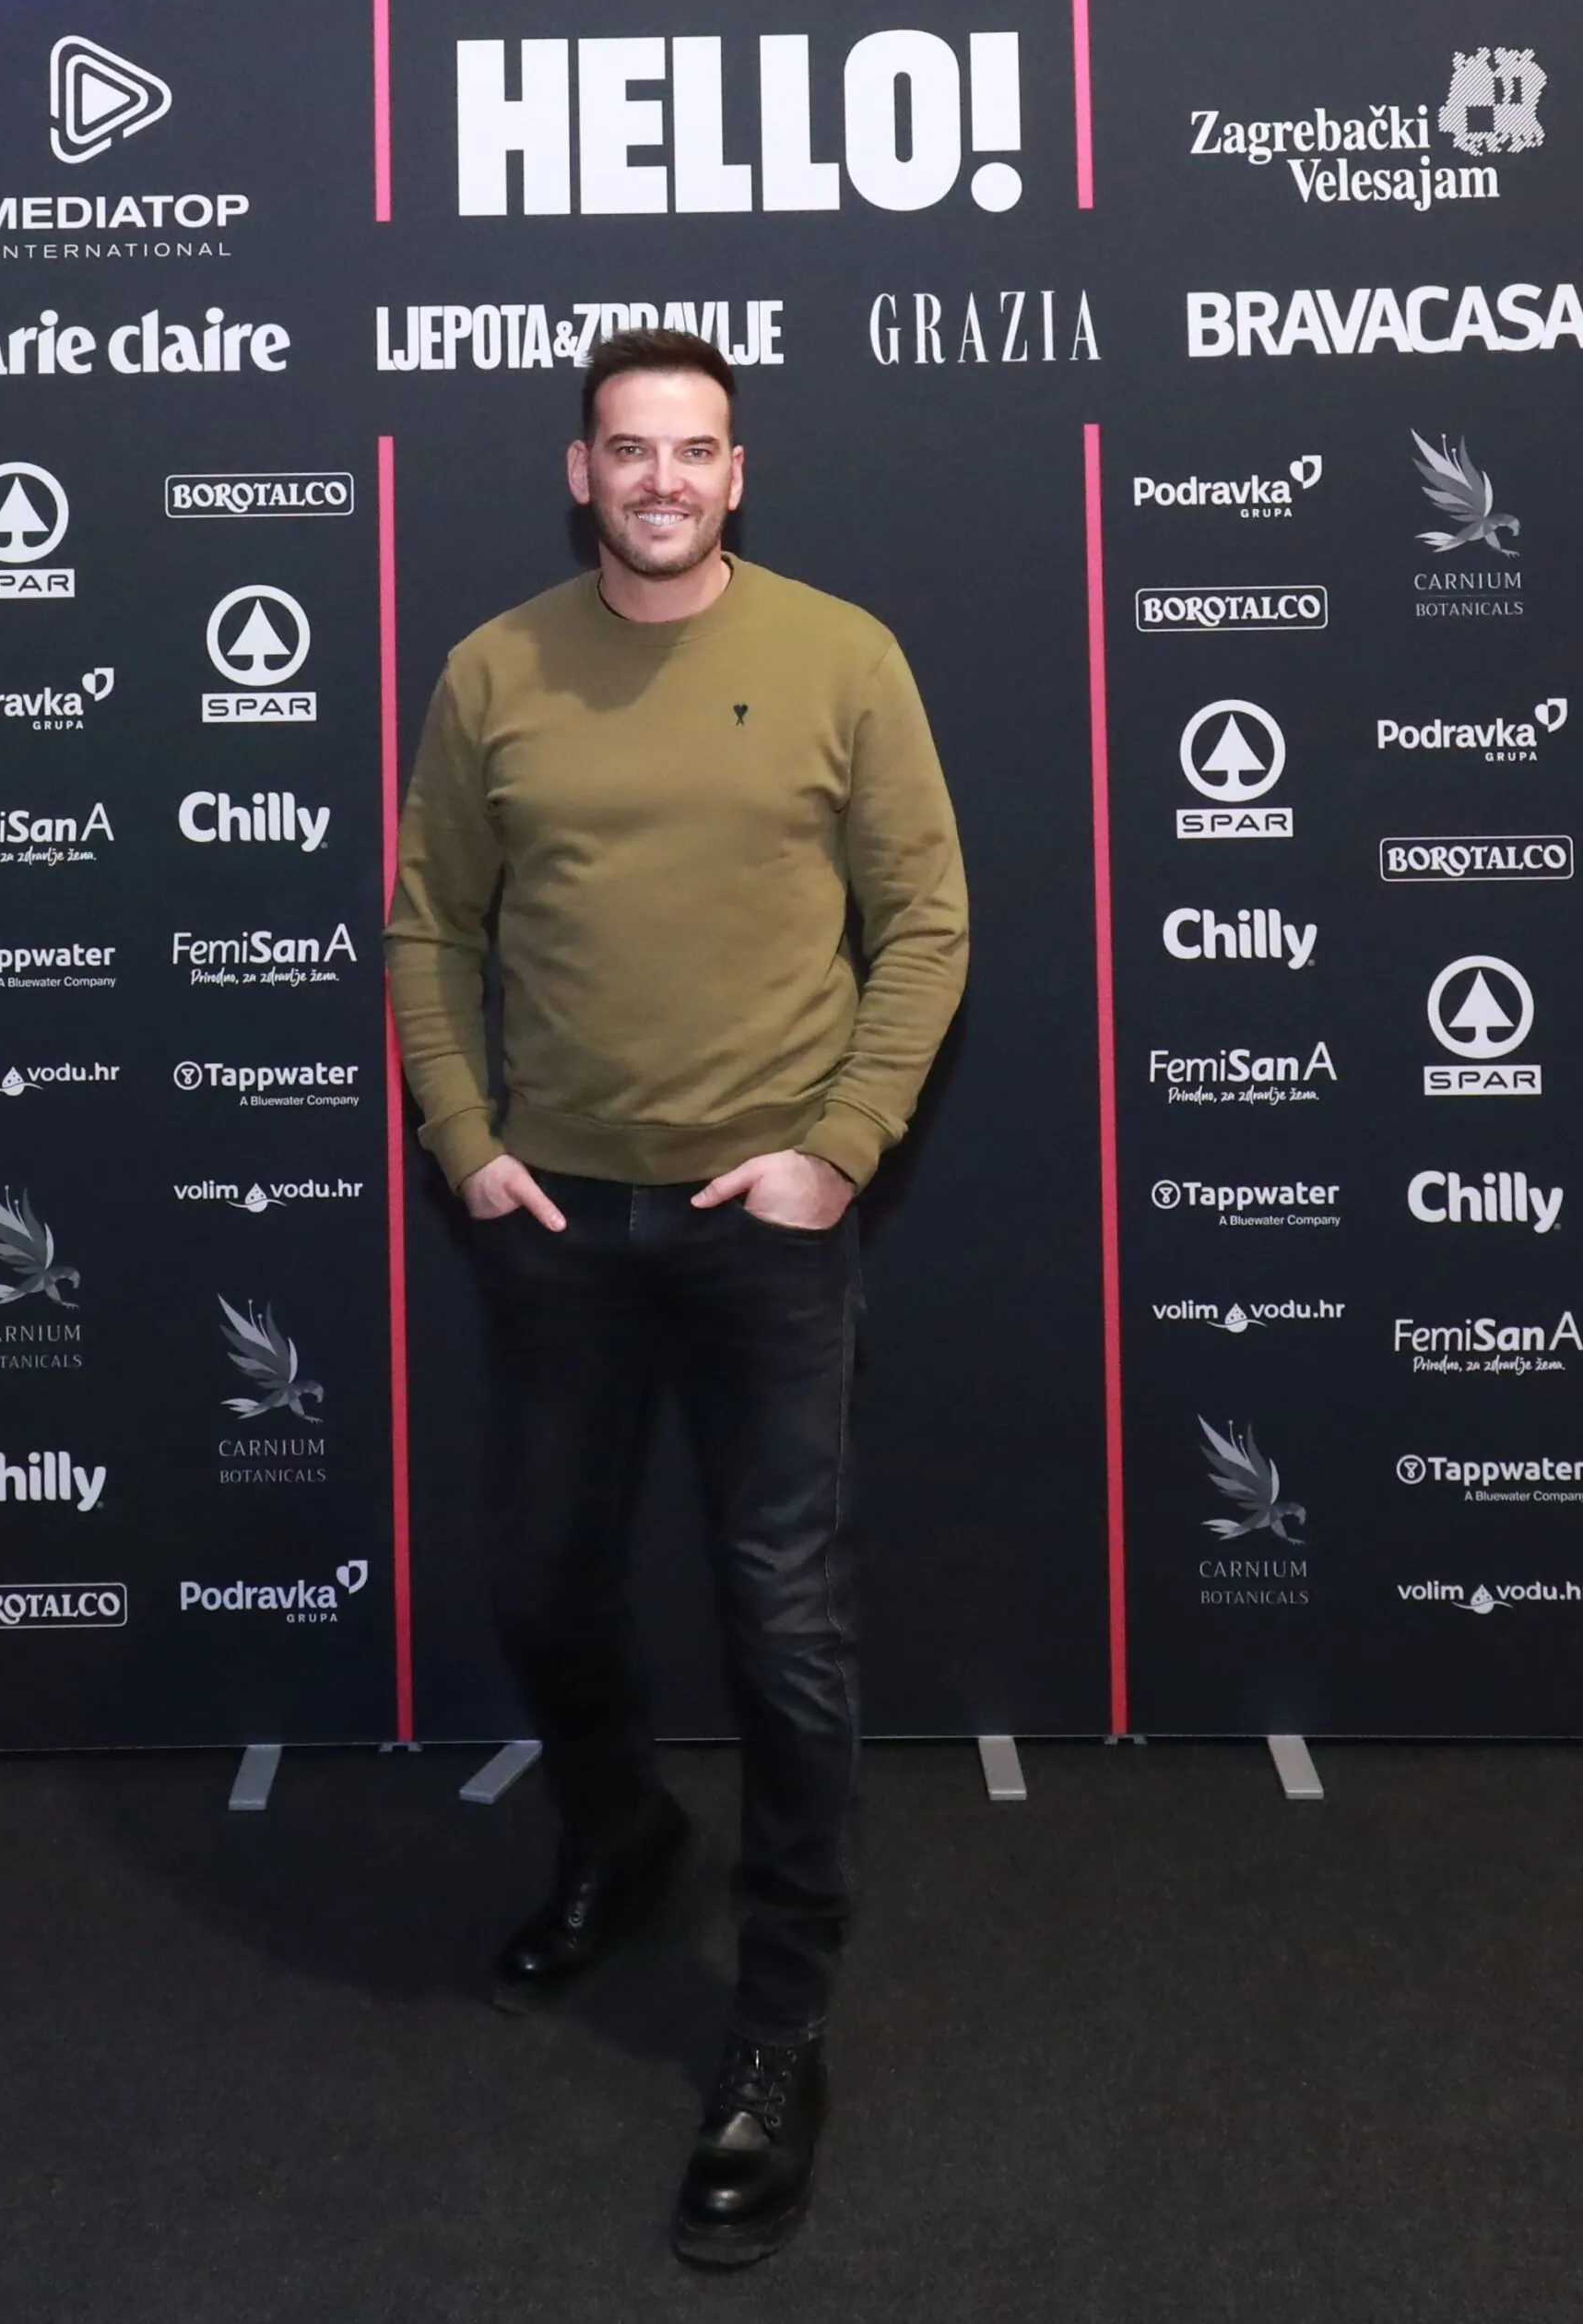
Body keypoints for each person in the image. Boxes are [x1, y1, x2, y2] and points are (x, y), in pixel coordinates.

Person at [384, 326, 968, 2266]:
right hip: (556, 1218)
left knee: (780, 1616)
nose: (660, 479)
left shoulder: (841, 657)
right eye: (627, 449)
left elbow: (928, 920)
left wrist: (842, 1145)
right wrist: (468, 1138)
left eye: (693, 449)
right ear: (581, 471)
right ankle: (621, 1829)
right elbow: (431, 923)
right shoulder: (494, 669)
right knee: (544, 1582)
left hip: (766, 1224)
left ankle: (776, 2026)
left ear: (737, 471)